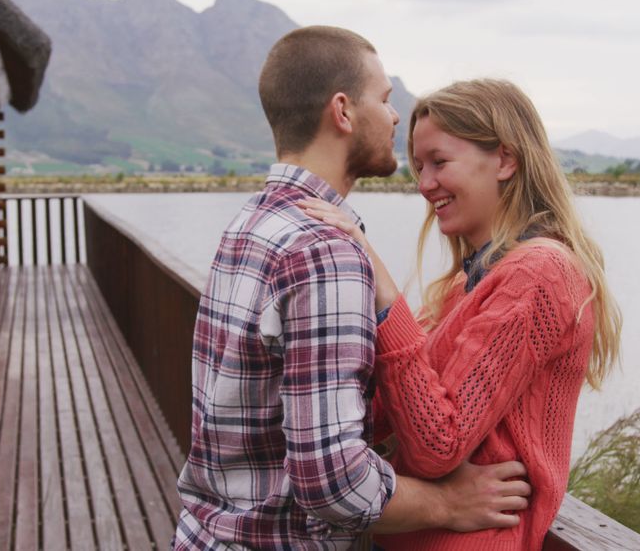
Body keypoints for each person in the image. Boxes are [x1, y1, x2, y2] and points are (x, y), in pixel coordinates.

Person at [173, 28, 530, 550]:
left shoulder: (251, 224)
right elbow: (333, 482)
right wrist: (448, 504)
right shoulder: (325, 252)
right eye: (384, 100)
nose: (392, 118)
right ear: (343, 112)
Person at [300, 78, 623, 550]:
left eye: (439, 162)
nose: (424, 184)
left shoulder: (539, 273)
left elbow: (438, 444)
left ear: (506, 160)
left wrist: (385, 294)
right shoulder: (468, 283)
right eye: (418, 166)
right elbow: (390, 412)